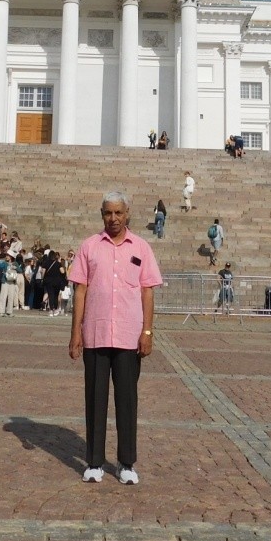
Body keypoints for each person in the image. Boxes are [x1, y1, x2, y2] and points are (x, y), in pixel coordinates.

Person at [68, 191, 161, 485]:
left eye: (118, 213)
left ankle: (126, 462)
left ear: (127, 213)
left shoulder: (142, 247)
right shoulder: (89, 246)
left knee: (127, 399)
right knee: (95, 399)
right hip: (95, 334)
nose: (114, 218)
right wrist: (75, 331)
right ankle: (94, 461)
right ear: (101, 214)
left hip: (129, 335)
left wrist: (147, 331)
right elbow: (80, 290)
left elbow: (147, 291)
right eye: (108, 213)